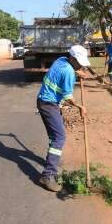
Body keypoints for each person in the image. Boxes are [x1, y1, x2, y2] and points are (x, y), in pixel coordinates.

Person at [37, 45, 90, 192]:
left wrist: (78, 72)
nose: (80, 64)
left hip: (44, 101)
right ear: (72, 58)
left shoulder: (61, 60)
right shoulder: (68, 72)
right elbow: (68, 97)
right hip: (49, 104)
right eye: (79, 62)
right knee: (59, 137)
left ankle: (51, 162)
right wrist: (80, 107)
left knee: (55, 136)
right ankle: (47, 175)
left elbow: (71, 69)